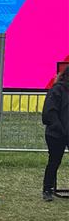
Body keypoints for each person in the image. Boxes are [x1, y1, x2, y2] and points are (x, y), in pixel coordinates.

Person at [42, 66, 69, 202]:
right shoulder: (57, 89)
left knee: (54, 161)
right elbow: (49, 112)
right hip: (56, 133)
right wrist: (61, 129)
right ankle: (47, 189)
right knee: (54, 161)